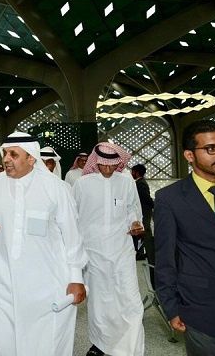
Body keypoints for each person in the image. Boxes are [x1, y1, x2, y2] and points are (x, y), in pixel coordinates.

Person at [0, 132, 88, 356]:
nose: (6, 159)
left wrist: (76, 278)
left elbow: (72, 235)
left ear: (31, 158)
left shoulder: (55, 188)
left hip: (44, 283)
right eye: (5, 153)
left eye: (13, 154)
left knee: (41, 343)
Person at [155, 120, 215, 355]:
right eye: (211, 148)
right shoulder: (170, 199)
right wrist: (171, 308)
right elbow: (165, 259)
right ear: (189, 155)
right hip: (201, 311)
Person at [72, 142, 145, 356]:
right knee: (100, 302)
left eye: (112, 165)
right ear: (96, 162)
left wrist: (135, 222)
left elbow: (132, 208)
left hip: (121, 249)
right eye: (103, 164)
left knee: (130, 299)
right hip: (92, 251)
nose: (108, 169)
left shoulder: (126, 181)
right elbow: (72, 217)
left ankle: (131, 348)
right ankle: (101, 344)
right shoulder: (82, 184)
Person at [130, 164, 154, 262]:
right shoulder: (140, 183)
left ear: (137, 173)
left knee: (143, 233)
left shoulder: (141, 184)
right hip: (145, 212)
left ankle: (142, 253)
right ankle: (148, 253)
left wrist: (154, 206)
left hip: (144, 213)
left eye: (132, 172)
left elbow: (146, 198)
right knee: (145, 233)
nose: (131, 173)